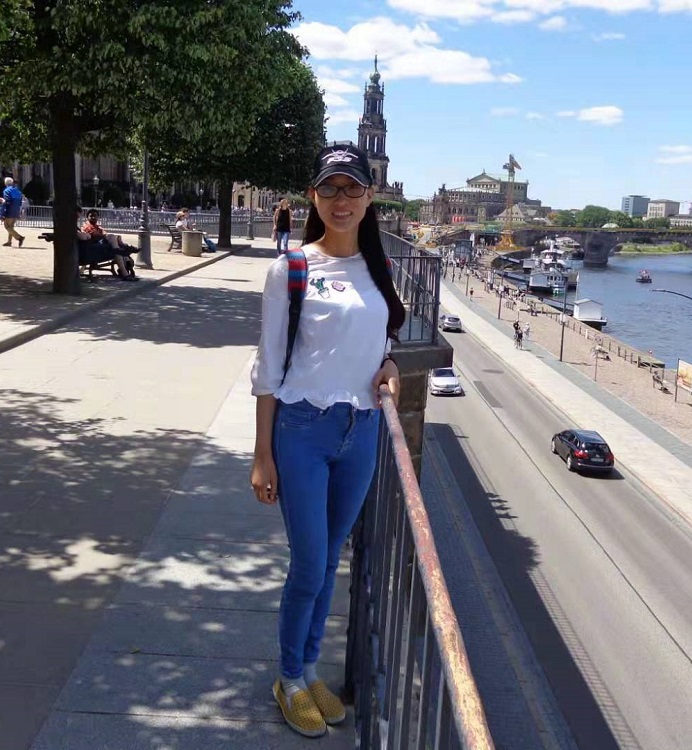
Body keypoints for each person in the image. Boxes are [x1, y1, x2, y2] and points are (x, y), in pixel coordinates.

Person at [249, 143, 404, 739]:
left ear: (370, 196)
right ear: (313, 197)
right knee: (310, 564)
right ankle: (289, 677)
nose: (343, 200)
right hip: (302, 430)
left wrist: (389, 365)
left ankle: (310, 669)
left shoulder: (379, 267)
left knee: (332, 558)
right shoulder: (291, 269)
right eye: (331, 188)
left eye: (353, 188)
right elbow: (268, 367)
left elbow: (380, 337)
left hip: (361, 430)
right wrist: (262, 455)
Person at [81, 209, 136, 280]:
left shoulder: (97, 227)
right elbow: (95, 234)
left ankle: (125, 258)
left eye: (95, 216)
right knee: (114, 240)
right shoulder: (87, 226)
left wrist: (115, 238)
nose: (93, 217)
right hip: (95, 248)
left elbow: (104, 233)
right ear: (87, 217)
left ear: (98, 217)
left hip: (99, 247)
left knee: (117, 240)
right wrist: (110, 237)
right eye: (91, 216)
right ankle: (125, 264)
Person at [0, 177, 25, 247]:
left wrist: (2, 200)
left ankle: (19, 237)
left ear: (5, 183)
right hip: (16, 210)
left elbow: (7, 202)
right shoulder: (18, 191)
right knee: (11, 227)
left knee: (7, 226)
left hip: (10, 211)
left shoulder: (6, 191)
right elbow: (20, 202)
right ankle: (9, 242)